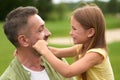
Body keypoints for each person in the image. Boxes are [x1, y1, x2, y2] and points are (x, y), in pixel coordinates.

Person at [33, 4, 114, 80]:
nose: (70, 33)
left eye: (74, 29)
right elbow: (57, 52)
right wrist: (37, 46)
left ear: (90, 32)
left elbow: (68, 72)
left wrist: (44, 50)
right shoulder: (82, 47)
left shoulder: (96, 54)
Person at [0, 6, 75, 80]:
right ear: (23, 40)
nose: (48, 33)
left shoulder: (57, 61)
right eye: (40, 30)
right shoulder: (9, 78)